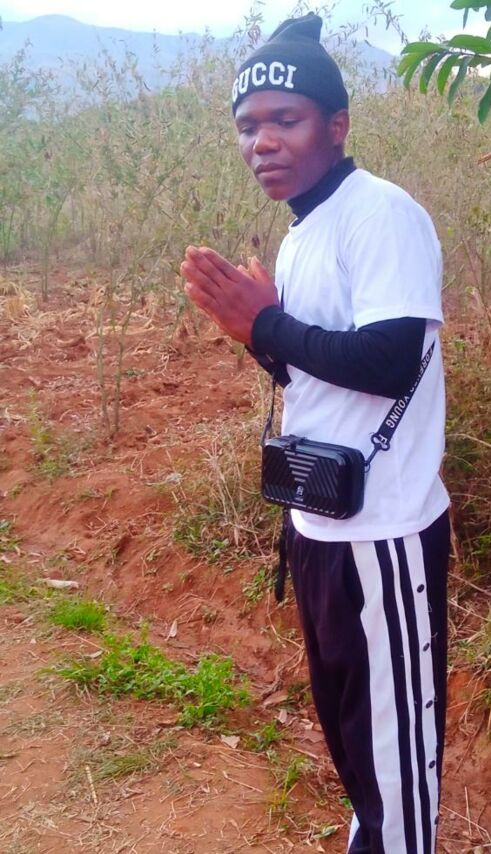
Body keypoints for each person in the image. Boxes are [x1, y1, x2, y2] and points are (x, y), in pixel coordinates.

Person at [180, 13, 450, 854]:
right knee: (354, 741)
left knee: (396, 763)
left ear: (337, 125)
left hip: (383, 532)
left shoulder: (381, 214)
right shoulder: (303, 232)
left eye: (285, 120)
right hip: (319, 524)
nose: (262, 142)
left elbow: (390, 361)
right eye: (247, 127)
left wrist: (266, 323)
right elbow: (315, 379)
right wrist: (258, 335)